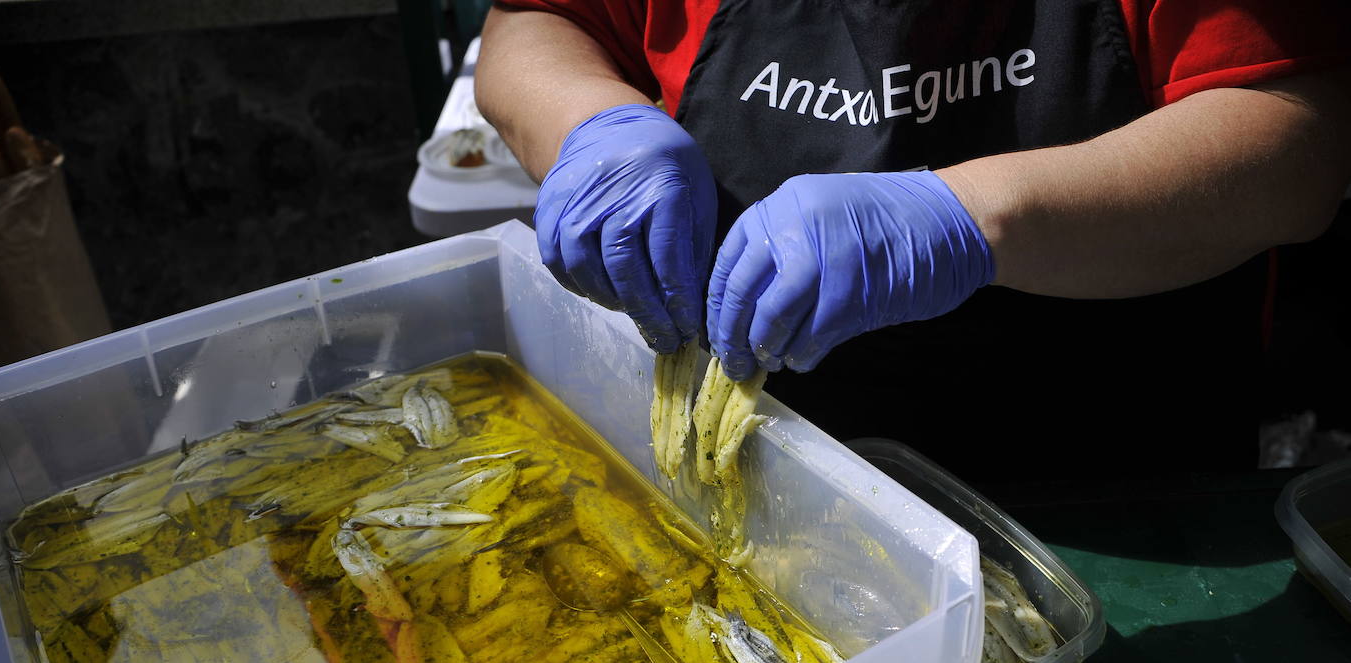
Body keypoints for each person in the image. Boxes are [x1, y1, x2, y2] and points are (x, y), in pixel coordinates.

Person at [474, 2, 1351, 483]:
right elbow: (534, 23)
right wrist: (590, 120)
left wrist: (972, 217)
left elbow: (1300, 142)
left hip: (1124, 501)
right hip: (773, 473)